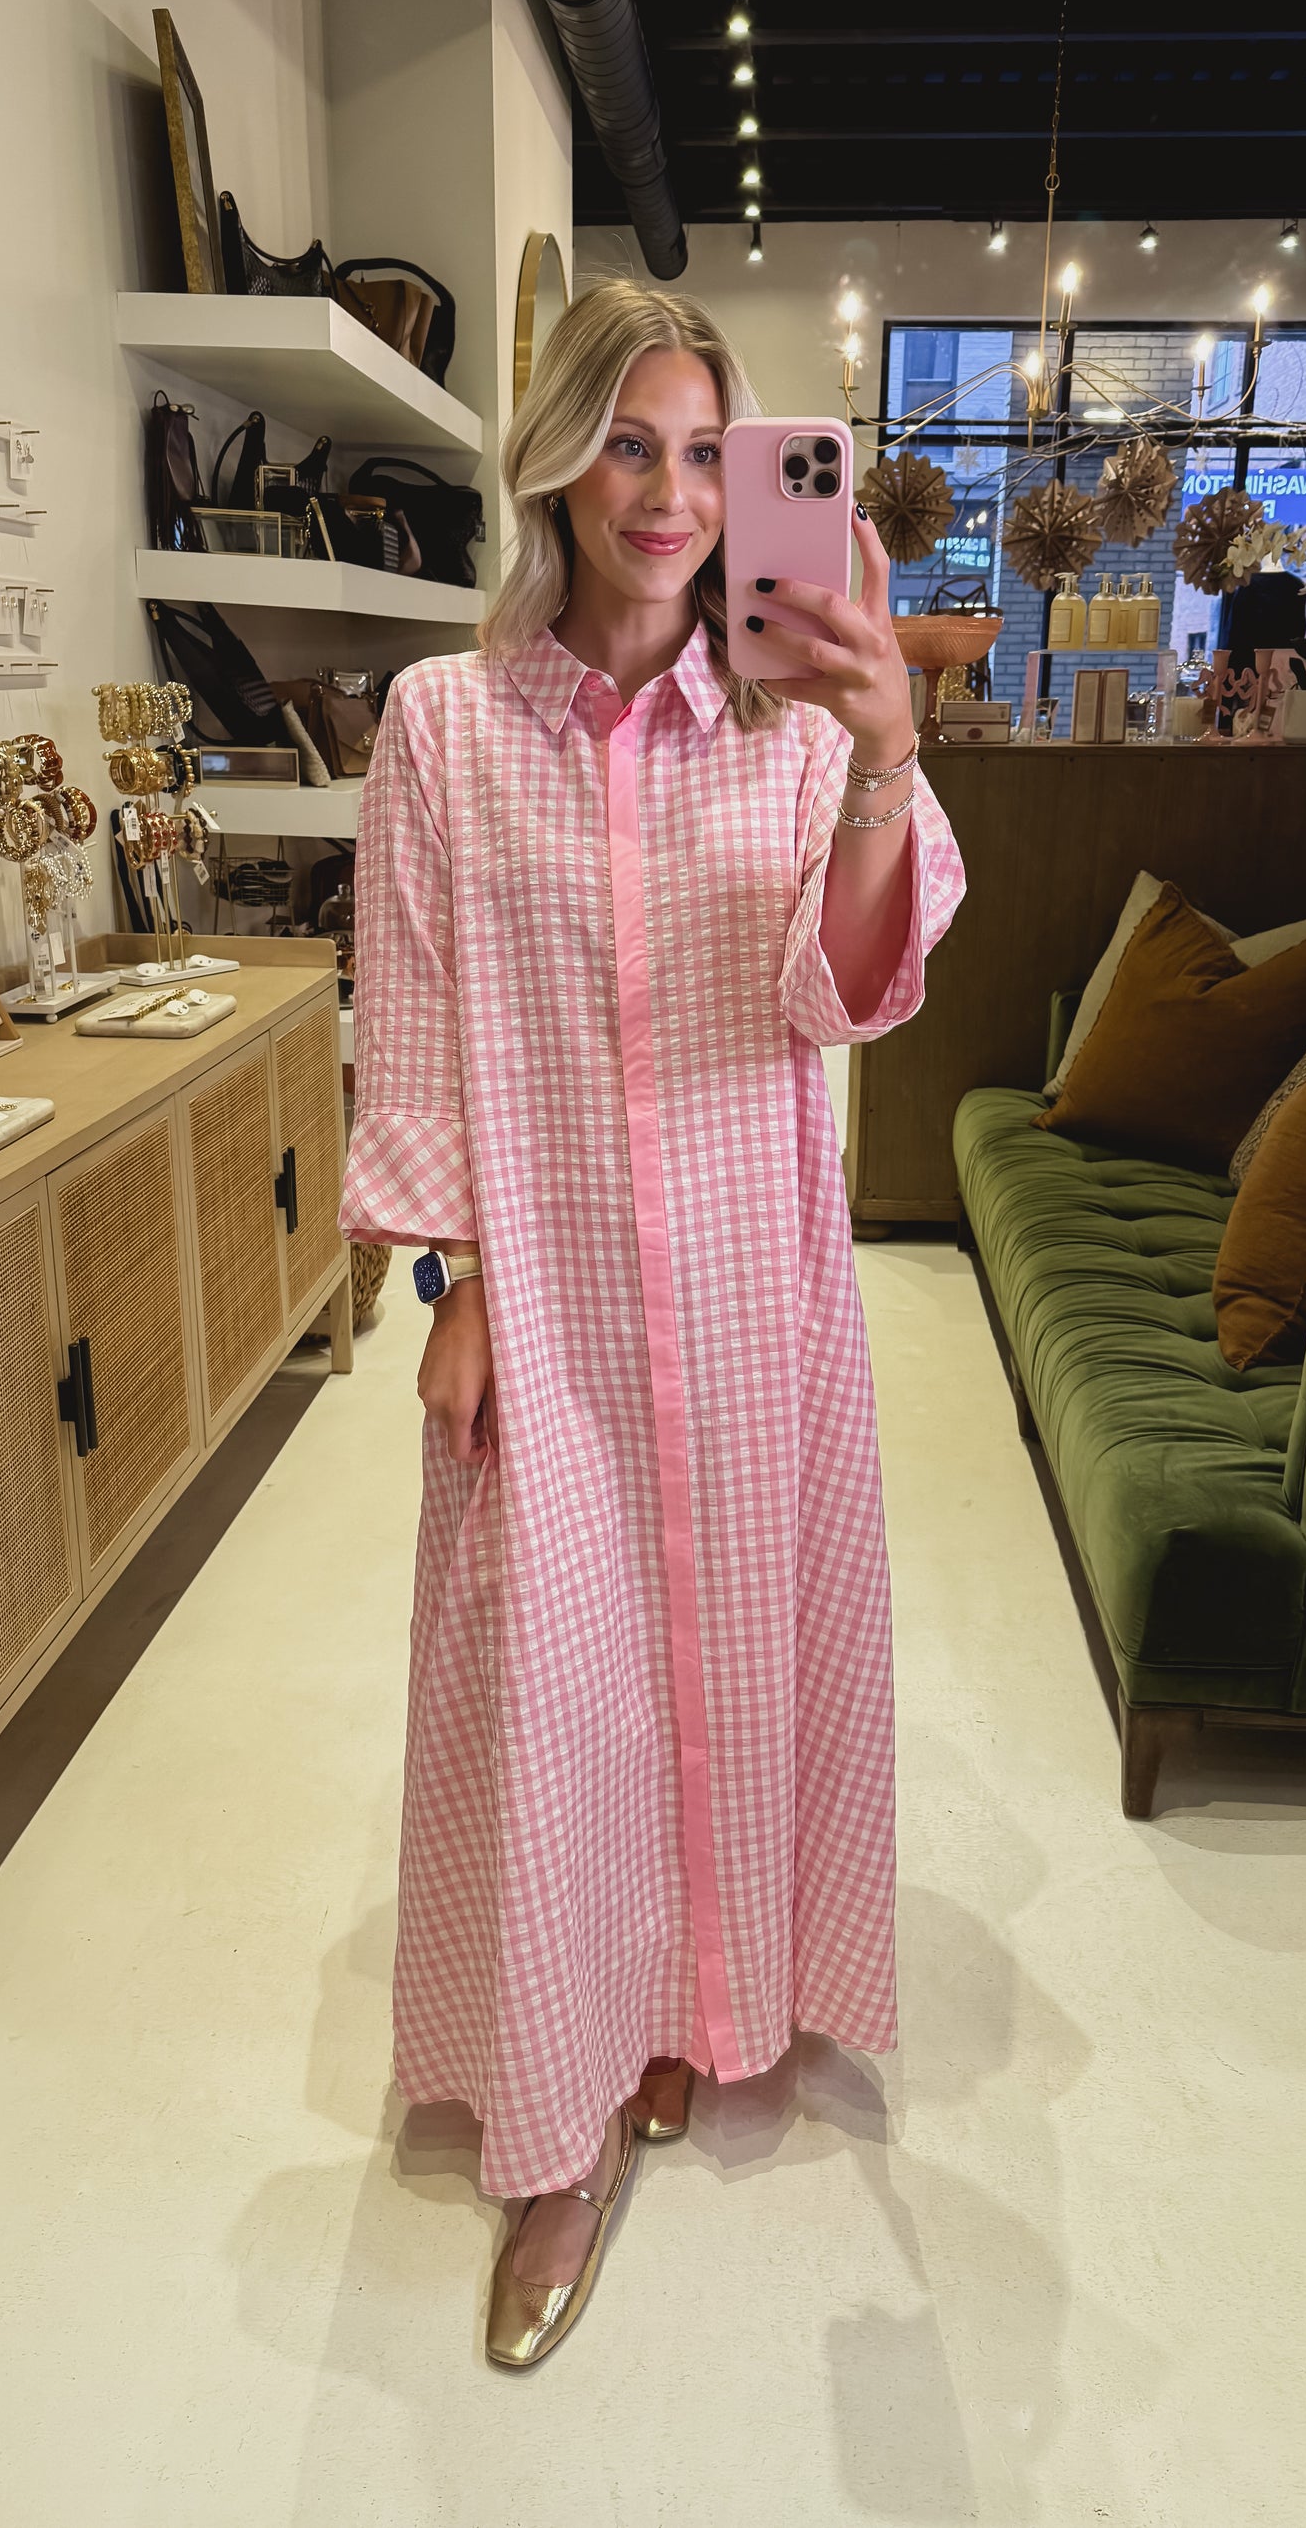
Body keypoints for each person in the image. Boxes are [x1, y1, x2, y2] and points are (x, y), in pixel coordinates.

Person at [341, 276, 965, 2370]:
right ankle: (556, 2123)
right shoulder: (443, 725)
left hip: (748, 1283)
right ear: (557, 459)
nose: (674, 494)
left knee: (724, 1660)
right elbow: (413, 1009)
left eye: (710, 452)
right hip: (551, 1292)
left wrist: (880, 757)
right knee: (558, 1692)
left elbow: (845, 992)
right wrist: (454, 1281)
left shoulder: (789, 730)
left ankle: (694, 1999)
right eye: (630, 443)